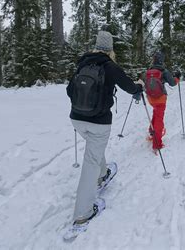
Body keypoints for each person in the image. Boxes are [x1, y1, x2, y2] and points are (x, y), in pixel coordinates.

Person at [66, 29, 143, 226]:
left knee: (94, 149)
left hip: (77, 119)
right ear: (110, 49)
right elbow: (129, 87)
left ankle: (102, 175)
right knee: (90, 160)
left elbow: (69, 90)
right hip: (98, 122)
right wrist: (139, 87)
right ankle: (82, 214)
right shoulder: (110, 66)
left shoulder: (82, 62)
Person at [144, 52, 181, 154]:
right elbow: (173, 83)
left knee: (155, 112)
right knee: (159, 118)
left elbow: (144, 82)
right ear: (162, 60)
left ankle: (152, 131)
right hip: (160, 98)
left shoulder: (149, 70)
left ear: (154, 60)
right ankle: (157, 143)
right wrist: (177, 78)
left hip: (150, 98)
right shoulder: (163, 71)